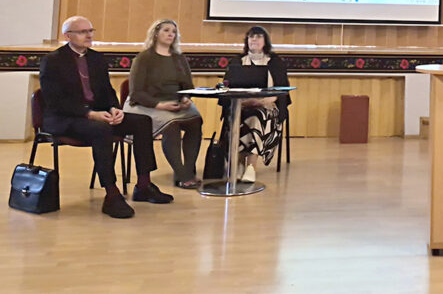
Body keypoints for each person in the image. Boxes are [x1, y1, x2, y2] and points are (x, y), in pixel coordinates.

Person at [39, 16, 173, 219]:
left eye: (90, 31)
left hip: (97, 114)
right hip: (65, 118)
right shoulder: (53, 61)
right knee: (101, 130)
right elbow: (54, 100)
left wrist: (114, 109)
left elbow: (107, 91)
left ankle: (144, 185)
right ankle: (111, 193)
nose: (89, 35)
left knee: (142, 121)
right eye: (83, 32)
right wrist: (90, 114)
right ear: (68, 36)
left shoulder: (96, 59)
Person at [123, 19, 203, 189]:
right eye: (166, 30)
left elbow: (188, 86)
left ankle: (188, 170)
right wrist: (160, 105)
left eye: (173, 31)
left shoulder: (179, 58)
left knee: (196, 121)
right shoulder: (144, 58)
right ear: (156, 33)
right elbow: (136, 92)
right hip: (147, 104)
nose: (170, 34)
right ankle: (182, 175)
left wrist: (185, 98)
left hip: (175, 101)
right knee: (171, 125)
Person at [222, 26, 290, 183]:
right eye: (251, 36)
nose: (254, 39)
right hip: (240, 105)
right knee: (237, 118)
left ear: (265, 41)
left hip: (267, 106)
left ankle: (251, 167)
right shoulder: (237, 61)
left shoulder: (275, 62)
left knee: (255, 118)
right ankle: (238, 164)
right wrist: (243, 101)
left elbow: (282, 91)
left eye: (258, 36)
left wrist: (262, 101)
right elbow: (227, 87)